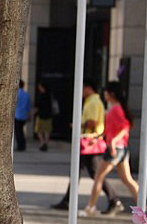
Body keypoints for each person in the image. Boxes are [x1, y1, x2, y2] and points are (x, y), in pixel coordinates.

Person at [52, 78, 121, 213]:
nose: (82, 91)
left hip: (90, 143)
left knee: (95, 174)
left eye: (83, 88)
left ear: (89, 88)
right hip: (88, 144)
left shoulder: (94, 102)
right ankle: (68, 200)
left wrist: (78, 125)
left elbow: (93, 123)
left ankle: (114, 200)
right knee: (83, 172)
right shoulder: (92, 101)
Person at [80, 82, 137, 216]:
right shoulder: (115, 108)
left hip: (115, 148)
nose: (104, 95)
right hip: (120, 148)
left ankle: (90, 208)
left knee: (98, 176)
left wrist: (113, 142)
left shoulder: (116, 109)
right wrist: (99, 137)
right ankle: (144, 207)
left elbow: (125, 128)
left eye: (105, 92)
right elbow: (112, 129)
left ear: (111, 93)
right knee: (126, 179)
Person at [32, 80, 54, 151]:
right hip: (48, 115)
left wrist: (32, 113)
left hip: (41, 115)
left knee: (38, 130)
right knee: (47, 131)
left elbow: (37, 106)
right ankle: (46, 143)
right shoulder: (49, 95)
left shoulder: (41, 96)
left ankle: (42, 142)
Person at [14, 79, 31, 151]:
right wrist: (29, 116)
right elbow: (28, 107)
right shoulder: (27, 95)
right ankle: (23, 145)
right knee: (21, 131)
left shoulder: (16, 95)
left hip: (17, 115)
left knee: (18, 132)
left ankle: (20, 146)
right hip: (24, 115)